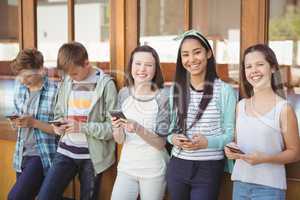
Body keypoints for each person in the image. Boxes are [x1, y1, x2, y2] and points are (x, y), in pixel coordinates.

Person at [38, 42, 117, 200]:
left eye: (74, 74)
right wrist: (57, 126)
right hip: (65, 151)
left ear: (86, 63)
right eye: (68, 75)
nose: (71, 78)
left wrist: (82, 127)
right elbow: (59, 112)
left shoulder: (106, 85)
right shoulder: (67, 81)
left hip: (92, 158)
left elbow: (112, 129)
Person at [166, 30, 237, 200]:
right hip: (178, 165)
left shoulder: (225, 91)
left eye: (197, 52)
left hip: (209, 167)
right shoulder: (176, 91)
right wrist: (173, 139)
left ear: (208, 53)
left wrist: (207, 143)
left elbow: (230, 135)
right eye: (185, 55)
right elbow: (169, 131)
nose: (191, 59)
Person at [225, 44, 300, 200]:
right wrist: (231, 149)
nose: (254, 71)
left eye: (260, 64)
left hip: (270, 188)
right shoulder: (241, 106)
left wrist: (266, 159)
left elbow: (295, 153)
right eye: (248, 66)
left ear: (272, 68)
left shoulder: (284, 109)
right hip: (240, 184)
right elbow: (238, 143)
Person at [110, 45, 170, 200]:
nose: (142, 69)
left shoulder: (162, 97)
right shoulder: (123, 93)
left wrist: (137, 127)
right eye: (138, 64)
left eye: (148, 65)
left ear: (155, 69)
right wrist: (117, 128)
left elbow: (160, 143)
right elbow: (120, 140)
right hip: (127, 167)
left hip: (153, 170)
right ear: (131, 66)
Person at [8, 48, 58, 200]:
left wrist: (33, 122)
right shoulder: (19, 86)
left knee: (15, 197)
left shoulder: (55, 91)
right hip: (21, 154)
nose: (23, 80)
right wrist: (16, 122)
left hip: (42, 156)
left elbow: (59, 130)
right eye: (20, 76)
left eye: (27, 76)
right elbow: (18, 117)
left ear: (41, 70)